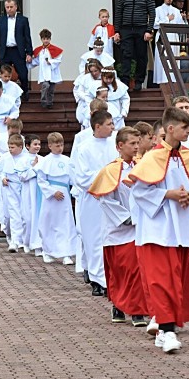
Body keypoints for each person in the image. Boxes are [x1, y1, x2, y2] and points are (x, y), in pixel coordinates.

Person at [128, 107, 189, 353]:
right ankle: (167, 330)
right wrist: (169, 194)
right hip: (159, 229)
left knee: (177, 280)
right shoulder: (153, 157)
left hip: (183, 227)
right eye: (185, 128)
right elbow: (139, 192)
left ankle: (166, 325)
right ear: (170, 129)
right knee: (162, 280)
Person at [87, 127, 149, 327]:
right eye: (132, 143)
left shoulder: (143, 166)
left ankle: (137, 310)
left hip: (139, 228)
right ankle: (119, 305)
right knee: (119, 271)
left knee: (136, 269)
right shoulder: (110, 171)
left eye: (138, 143)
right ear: (120, 146)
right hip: (118, 228)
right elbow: (105, 199)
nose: (136, 147)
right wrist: (125, 217)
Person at [71, 110, 120, 296]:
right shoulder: (85, 148)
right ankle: (97, 279)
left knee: (110, 238)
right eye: (109, 124)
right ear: (97, 126)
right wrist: (107, 174)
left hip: (112, 199)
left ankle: (110, 279)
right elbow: (82, 177)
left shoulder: (115, 144)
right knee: (93, 239)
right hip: (92, 199)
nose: (113, 127)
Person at [34, 132, 77, 265]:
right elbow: (41, 181)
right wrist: (52, 192)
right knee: (49, 223)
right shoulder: (45, 161)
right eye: (57, 145)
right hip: (51, 197)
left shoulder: (67, 161)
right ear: (50, 146)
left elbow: (73, 179)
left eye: (62, 145)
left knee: (66, 223)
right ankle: (48, 251)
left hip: (64, 195)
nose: (60, 148)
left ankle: (66, 253)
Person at [114, 0, 156, 91]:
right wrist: (117, 31)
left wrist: (149, 30)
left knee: (141, 56)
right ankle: (125, 82)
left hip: (141, 29)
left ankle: (139, 81)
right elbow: (118, 14)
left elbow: (152, 14)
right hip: (126, 29)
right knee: (126, 55)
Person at [0, 0, 32, 102]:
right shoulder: (0, 21)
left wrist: (29, 52)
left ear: (16, 7)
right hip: (4, 51)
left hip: (17, 50)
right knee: (4, 73)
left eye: (11, 7)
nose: (9, 9)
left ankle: (24, 91)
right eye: (7, 7)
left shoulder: (23, 20)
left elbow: (27, 37)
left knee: (23, 73)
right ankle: (4, 93)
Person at [0, 134, 31, 252]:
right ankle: (14, 239)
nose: (10, 149)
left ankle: (21, 240)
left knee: (24, 214)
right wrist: (3, 178)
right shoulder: (6, 158)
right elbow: (2, 171)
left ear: (21, 147)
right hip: (10, 187)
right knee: (12, 214)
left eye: (13, 147)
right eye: (9, 147)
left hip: (24, 188)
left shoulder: (27, 158)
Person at [153, 0, 185, 86]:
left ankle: (174, 80)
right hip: (162, 36)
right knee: (162, 58)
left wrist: (183, 19)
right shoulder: (157, 10)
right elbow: (154, 25)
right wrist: (167, 19)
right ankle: (162, 81)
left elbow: (181, 26)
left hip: (173, 37)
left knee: (173, 59)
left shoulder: (176, 11)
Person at [18, 134, 42, 255]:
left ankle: (38, 245)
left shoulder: (42, 159)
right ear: (27, 146)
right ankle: (26, 242)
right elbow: (22, 176)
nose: (37, 146)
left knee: (38, 218)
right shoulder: (22, 160)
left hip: (39, 192)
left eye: (39, 144)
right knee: (28, 219)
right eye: (35, 144)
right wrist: (34, 167)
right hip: (28, 192)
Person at [29, 29, 63, 109]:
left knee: (51, 90)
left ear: (50, 39)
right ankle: (43, 100)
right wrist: (30, 62)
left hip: (52, 72)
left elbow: (58, 60)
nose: (46, 40)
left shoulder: (55, 49)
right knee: (45, 85)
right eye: (44, 39)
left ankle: (50, 102)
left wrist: (50, 62)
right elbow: (36, 61)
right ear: (41, 39)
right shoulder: (39, 50)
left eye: (47, 39)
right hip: (44, 72)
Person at [74, 60, 103, 129]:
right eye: (91, 71)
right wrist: (88, 98)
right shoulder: (85, 78)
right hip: (86, 103)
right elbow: (79, 92)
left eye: (96, 71)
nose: (94, 73)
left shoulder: (104, 77)